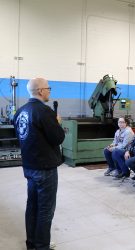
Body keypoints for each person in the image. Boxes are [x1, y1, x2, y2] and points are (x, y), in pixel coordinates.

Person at [14, 78, 65, 250]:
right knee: (45, 211)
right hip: (45, 169)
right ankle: (42, 246)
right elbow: (58, 138)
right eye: (48, 88)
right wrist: (57, 123)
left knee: (32, 206)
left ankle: (32, 244)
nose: (50, 91)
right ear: (41, 91)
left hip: (29, 167)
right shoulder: (44, 112)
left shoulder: (20, 111)